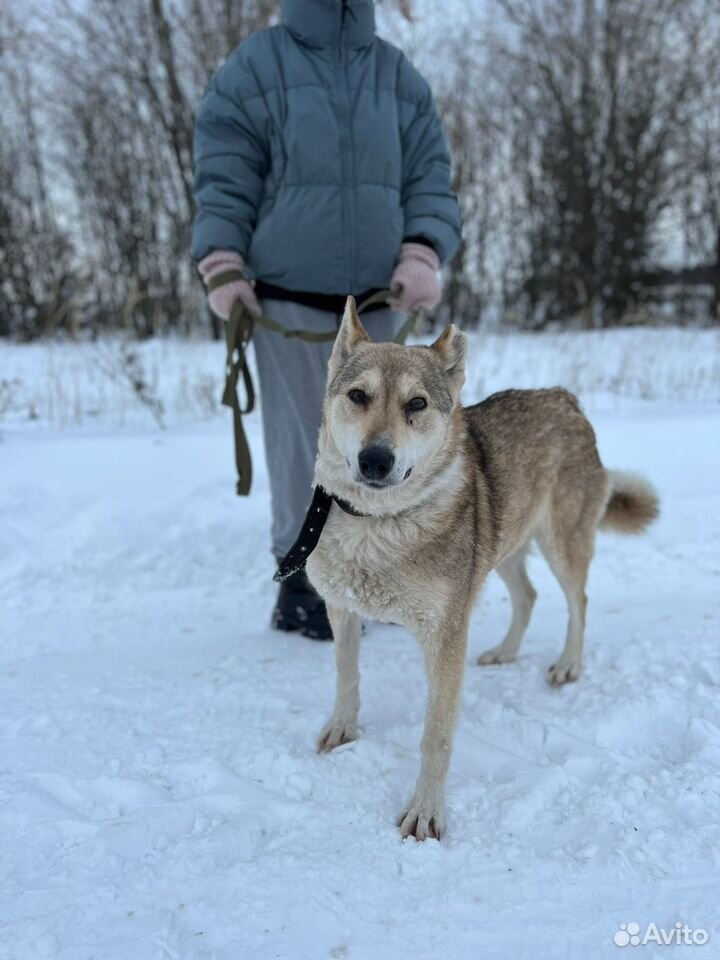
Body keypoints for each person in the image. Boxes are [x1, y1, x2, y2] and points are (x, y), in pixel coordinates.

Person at [192, 0, 461, 640]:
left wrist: (423, 246)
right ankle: (304, 582)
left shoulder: (396, 74)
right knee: (299, 448)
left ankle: (379, 574)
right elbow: (225, 167)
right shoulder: (258, 65)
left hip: (379, 301)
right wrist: (222, 257)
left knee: (387, 439)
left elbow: (429, 172)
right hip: (285, 298)